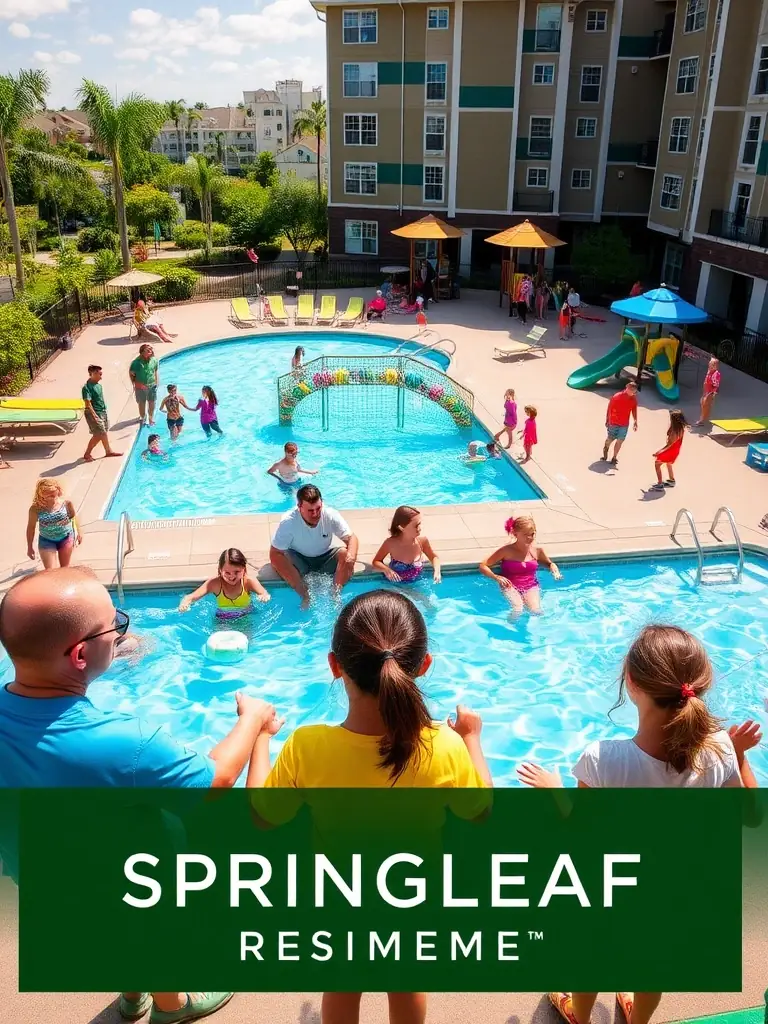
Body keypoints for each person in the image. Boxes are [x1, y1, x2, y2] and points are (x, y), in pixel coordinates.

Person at [0, 566, 282, 1023]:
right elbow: (216, 781)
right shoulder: (124, 742)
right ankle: (172, 1005)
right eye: (116, 626)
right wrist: (252, 719)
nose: (120, 634)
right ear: (79, 655)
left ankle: (133, 996)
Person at [250, 589, 492, 1024]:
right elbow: (480, 810)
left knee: (342, 985)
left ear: (334, 665)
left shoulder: (308, 747)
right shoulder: (446, 747)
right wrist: (472, 738)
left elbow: (263, 816)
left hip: (340, 900)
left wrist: (261, 738)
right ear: (423, 666)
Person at [516, 624, 760, 1024]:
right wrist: (739, 756)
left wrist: (554, 790)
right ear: (700, 685)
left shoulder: (603, 760)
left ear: (631, 683)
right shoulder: (719, 749)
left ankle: (579, 1014)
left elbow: (581, 833)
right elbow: (751, 816)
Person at [269, 484, 359, 609]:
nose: (316, 514)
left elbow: (351, 538)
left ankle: (335, 593)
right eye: (310, 511)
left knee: (345, 553)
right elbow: (274, 554)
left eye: (318, 508)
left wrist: (351, 555)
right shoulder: (288, 522)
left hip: (326, 558)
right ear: (299, 507)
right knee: (280, 558)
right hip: (299, 559)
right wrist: (302, 590)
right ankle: (305, 595)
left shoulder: (330, 514)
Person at [479, 514, 561, 616]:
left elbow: (549, 564)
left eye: (532, 534)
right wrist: (496, 577)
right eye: (526, 534)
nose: (530, 537)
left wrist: (554, 569)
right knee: (518, 609)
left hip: (531, 585)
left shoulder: (537, 551)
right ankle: (508, 629)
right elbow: (483, 565)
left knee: (536, 611)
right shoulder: (506, 550)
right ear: (515, 533)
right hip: (509, 585)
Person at [179, 548, 270, 617]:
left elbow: (263, 593)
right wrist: (185, 603)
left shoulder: (248, 582)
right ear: (220, 570)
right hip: (222, 619)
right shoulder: (214, 584)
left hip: (245, 617)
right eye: (227, 573)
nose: (232, 576)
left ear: (244, 569)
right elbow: (190, 597)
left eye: (237, 572)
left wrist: (263, 597)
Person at [372, 505, 442, 584]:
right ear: (402, 528)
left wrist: (437, 571)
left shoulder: (422, 541)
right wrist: (386, 569)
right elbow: (376, 561)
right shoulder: (390, 543)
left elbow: (434, 557)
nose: (420, 528)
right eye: (416, 526)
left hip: (417, 584)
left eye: (420, 524)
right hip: (395, 586)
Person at [26, 477, 81, 570]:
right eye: (48, 496)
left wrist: (79, 532)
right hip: (46, 540)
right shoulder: (35, 509)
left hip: (66, 538)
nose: (52, 498)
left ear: (58, 491)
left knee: (64, 568)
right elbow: (31, 528)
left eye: (54, 495)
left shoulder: (66, 503)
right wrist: (29, 547)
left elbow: (73, 517)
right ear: (41, 494)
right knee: (51, 571)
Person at [81, 364, 122, 462]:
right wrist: (94, 415)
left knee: (103, 433)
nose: (101, 376)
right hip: (94, 413)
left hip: (102, 411)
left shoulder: (98, 385)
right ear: (93, 374)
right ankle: (87, 454)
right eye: (99, 374)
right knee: (99, 434)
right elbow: (87, 403)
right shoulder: (86, 388)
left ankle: (108, 451)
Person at [602, 381, 638, 465]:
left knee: (620, 440)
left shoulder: (633, 399)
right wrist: (607, 420)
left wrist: (635, 420)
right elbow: (609, 408)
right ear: (627, 387)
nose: (632, 392)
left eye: (634, 391)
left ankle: (614, 458)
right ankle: (606, 447)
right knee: (610, 439)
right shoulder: (617, 396)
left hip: (624, 424)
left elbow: (634, 409)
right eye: (631, 390)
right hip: (614, 422)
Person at [651, 409, 687, 490]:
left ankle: (660, 484)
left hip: (671, 451)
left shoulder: (675, 432)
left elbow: (669, 445)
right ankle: (671, 480)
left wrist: (659, 452)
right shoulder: (680, 428)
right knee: (668, 463)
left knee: (657, 464)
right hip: (675, 450)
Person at [129, 343, 159, 427]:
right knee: (141, 403)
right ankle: (143, 417)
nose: (150, 351)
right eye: (148, 350)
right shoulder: (136, 363)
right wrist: (136, 385)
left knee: (152, 402)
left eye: (151, 349)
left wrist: (157, 383)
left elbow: (155, 371)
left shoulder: (154, 360)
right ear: (142, 352)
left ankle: (150, 418)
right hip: (140, 386)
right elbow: (131, 374)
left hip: (152, 385)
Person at [696, 357, 721, 426]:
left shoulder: (716, 374)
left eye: (711, 364)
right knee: (703, 403)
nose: (709, 365)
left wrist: (712, 393)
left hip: (709, 392)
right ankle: (705, 418)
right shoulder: (709, 371)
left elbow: (716, 384)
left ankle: (702, 420)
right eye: (709, 363)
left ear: (715, 366)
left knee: (705, 405)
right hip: (706, 391)